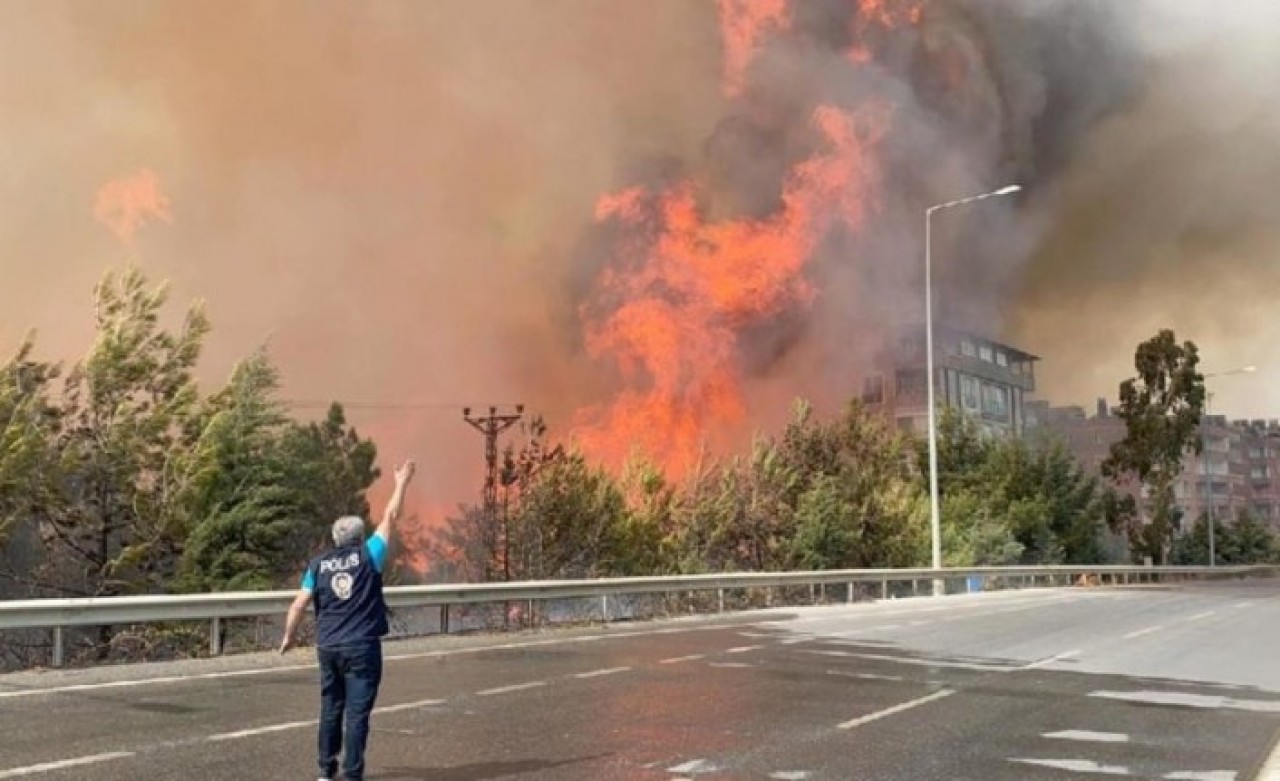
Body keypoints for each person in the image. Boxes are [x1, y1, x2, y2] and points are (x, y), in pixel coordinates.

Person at [281, 460, 416, 781]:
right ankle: (352, 774)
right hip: (361, 648)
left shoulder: (318, 565)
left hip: (328, 646)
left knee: (331, 709)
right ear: (359, 536)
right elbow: (390, 517)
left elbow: (299, 603)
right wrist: (401, 482)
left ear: (335, 537)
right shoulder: (371, 553)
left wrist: (289, 636)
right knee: (356, 714)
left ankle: (326, 772)